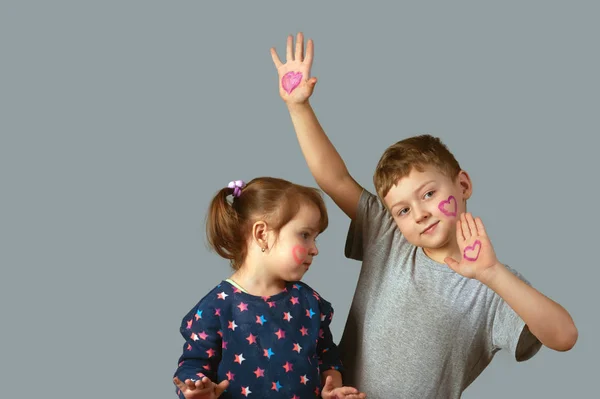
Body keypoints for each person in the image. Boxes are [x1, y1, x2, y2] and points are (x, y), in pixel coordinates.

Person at [270, 32, 578, 398]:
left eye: (429, 194)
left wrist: (493, 274)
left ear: (462, 185)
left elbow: (565, 336)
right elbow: (333, 178)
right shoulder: (388, 236)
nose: (418, 214)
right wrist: (298, 107)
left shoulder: (492, 285)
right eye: (402, 209)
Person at [172, 177, 367, 399]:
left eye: (315, 238)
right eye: (305, 235)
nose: (314, 249)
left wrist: (333, 388)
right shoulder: (216, 307)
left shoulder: (310, 302)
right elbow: (193, 365)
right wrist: (196, 389)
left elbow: (328, 357)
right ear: (261, 234)